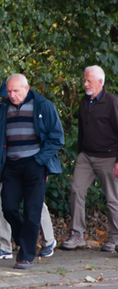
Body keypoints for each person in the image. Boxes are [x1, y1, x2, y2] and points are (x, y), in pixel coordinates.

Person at [0, 74, 64, 269]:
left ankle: (26, 256)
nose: (12, 95)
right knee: (8, 207)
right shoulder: (4, 107)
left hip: (34, 165)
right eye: (9, 91)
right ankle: (26, 240)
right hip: (11, 166)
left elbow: (57, 138)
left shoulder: (43, 105)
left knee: (32, 211)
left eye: (16, 91)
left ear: (27, 88)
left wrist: (39, 160)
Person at [60, 66, 118, 252]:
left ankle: (115, 238)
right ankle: (77, 235)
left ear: (100, 82)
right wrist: (80, 152)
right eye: (84, 80)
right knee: (76, 190)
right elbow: (83, 130)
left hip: (109, 156)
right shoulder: (85, 102)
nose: (85, 84)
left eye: (89, 81)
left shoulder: (112, 102)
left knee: (112, 198)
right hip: (86, 155)